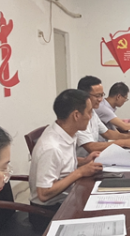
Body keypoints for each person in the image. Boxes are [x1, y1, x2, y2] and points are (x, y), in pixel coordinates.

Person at [29, 89, 103, 223]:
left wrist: (84, 161)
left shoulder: (64, 132)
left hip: (68, 199)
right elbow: (43, 194)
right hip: (48, 213)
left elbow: (61, 163)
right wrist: (80, 172)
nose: (90, 117)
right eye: (89, 112)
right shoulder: (51, 147)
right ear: (76, 115)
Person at [76, 76, 130, 153]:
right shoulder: (78, 116)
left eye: (102, 95)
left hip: (94, 156)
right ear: (84, 95)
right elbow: (91, 147)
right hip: (83, 157)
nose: (100, 99)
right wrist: (122, 142)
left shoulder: (93, 112)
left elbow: (107, 133)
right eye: (97, 96)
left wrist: (128, 137)